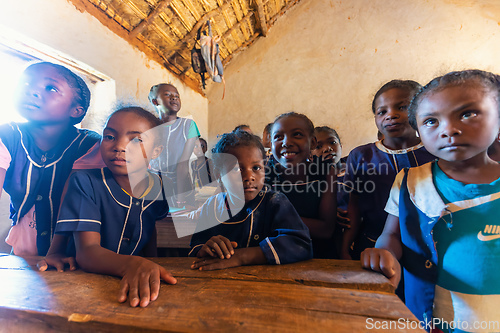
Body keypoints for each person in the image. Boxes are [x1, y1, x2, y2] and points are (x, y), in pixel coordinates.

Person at [362, 70, 500, 331]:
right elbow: (392, 234)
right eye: (431, 121)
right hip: (433, 317)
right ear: (419, 131)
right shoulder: (410, 182)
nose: (449, 129)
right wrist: (385, 254)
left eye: (468, 113)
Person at [45, 107, 177, 307]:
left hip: (128, 280)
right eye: (109, 136)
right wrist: (134, 264)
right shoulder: (86, 182)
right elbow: (87, 253)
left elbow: (149, 229)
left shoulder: (158, 187)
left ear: (156, 150)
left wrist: (151, 263)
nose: (120, 146)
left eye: (136, 139)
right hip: (82, 283)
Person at [0, 62, 103, 257]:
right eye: (26, 84)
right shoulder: (7, 136)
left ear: (77, 110)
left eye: (51, 88)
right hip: (24, 252)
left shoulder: (90, 145)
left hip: (78, 254)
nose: (32, 91)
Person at [189, 130, 312, 270]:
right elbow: (197, 244)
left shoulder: (275, 202)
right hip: (221, 284)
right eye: (237, 169)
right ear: (218, 174)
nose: (249, 176)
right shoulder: (211, 206)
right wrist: (205, 249)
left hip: (269, 284)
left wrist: (241, 257)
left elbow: (300, 244)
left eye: (256, 168)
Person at [341, 80, 436, 260]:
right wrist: (345, 248)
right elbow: (354, 206)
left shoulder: (435, 150)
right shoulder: (361, 155)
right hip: (373, 245)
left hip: (431, 247)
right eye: (382, 112)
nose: (391, 115)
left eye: (402, 107)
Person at [266, 112, 337, 259]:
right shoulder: (264, 175)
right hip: (273, 254)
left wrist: (275, 218)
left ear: (312, 142)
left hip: (318, 256)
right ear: (270, 144)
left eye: (297, 135)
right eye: (278, 137)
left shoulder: (325, 172)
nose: (286, 142)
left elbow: (326, 230)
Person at [148, 83, 200, 207]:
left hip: (182, 188)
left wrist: (180, 198)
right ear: (155, 102)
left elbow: (183, 164)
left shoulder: (188, 126)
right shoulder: (150, 127)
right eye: (167, 95)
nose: (174, 98)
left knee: (180, 222)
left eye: (177, 96)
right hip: (154, 186)